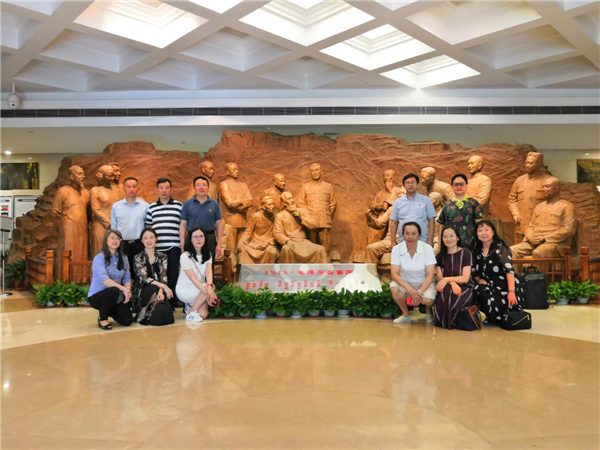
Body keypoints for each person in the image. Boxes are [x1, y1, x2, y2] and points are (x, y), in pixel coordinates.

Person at [510, 177, 576, 259]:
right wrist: (530, 237)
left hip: (554, 243)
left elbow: (568, 229)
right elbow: (531, 227)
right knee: (511, 250)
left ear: (556, 189)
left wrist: (545, 238)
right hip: (533, 242)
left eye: (547, 187)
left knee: (539, 252)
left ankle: (538, 268)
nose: (544, 189)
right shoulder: (539, 207)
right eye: (543, 187)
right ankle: (517, 268)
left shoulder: (567, 206)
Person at [473, 220, 524, 324]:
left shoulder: (500, 249)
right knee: (478, 289)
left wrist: (511, 292)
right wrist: (479, 280)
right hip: (490, 287)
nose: (483, 233)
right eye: (480, 231)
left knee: (499, 301)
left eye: (486, 230)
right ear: (476, 234)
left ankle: (501, 316)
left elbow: (509, 271)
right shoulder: (477, 251)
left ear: (493, 232)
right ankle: (491, 316)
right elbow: (474, 272)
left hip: (506, 287)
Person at [145, 178, 183, 308]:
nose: (164, 190)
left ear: (171, 190)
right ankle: (160, 299)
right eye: (161, 188)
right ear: (157, 190)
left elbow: (183, 226)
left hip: (174, 246)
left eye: (167, 188)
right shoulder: (151, 207)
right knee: (159, 273)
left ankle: (171, 300)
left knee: (173, 273)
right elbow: (149, 227)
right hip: (158, 247)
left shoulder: (179, 206)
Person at [390, 222, 437, 325]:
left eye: (414, 233)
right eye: (407, 233)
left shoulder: (427, 248)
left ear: (419, 235)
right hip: (406, 283)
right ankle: (405, 314)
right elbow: (394, 274)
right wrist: (411, 290)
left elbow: (430, 274)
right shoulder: (397, 249)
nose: (410, 237)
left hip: (425, 283)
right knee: (394, 288)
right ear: (403, 234)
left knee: (428, 300)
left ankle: (429, 310)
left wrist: (419, 292)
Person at [87, 229, 133, 330]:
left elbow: (127, 278)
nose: (115, 240)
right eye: (112, 238)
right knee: (113, 290)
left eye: (118, 238)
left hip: (116, 296)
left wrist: (128, 290)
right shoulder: (99, 258)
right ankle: (103, 318)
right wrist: (123, 289)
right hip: (97, 296)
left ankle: (107, 309)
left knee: (127, 321)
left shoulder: (124, 258)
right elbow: (105, 280)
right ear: (106, 240)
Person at [52, 165, 90, 280]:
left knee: (82, 252)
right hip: (67, 228)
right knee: (68, 252)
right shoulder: (63, 191)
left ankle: (80, 280)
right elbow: (55, 212)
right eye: (79, 174)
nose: (83, 176)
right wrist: (63, 227)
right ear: (71, 176)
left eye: (83, 174)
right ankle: (65, 280)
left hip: (82, 228)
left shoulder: (86, 193)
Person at [433, 226, 474, 329]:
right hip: (446, 286)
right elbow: (440, 278)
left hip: (464, 287)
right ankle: (445, 322)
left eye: (451, 236)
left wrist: (447, 279)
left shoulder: (466, 253)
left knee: (455, 300)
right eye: (445, 237)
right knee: (445, 295)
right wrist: (452, 283)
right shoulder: (439, 257)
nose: (448, 239)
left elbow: (465, 278)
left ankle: (450, 322)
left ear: (457, 238)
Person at [507, 152, 552, 243]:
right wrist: (515, 214)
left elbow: (553, 203)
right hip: (522, 226)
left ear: (539, 163)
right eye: (526, 163)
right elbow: (511, 200)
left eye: (530, 163)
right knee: (518, 249)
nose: (527, 165)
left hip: (540, 227)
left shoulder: (548, 180)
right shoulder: (519, 180)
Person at [176, 228, 217, 323]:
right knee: (208, 288)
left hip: (200, 289)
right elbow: (193, 279)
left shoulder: (208, 255)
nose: (198, 239)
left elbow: (209, 273)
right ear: (190, 239)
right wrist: (209, 294)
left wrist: (210, 288)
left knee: (203, 315)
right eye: (195, 237)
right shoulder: (185, 256)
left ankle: (189, 307)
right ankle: (191, 312)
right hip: (185, 289)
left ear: (205, 238)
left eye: (201, 236)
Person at [273, 192, 328, 263]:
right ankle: (288, 270)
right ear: (283, 202)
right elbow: (277, 233)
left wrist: (300, 216)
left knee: (320, 249)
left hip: (304, 242)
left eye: (292, 198)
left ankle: (322, 270)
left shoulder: (302, 211)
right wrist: (287, 241)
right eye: (288, 199)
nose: (291, 200)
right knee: (286, 249)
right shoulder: (280, 215)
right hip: (290, 241)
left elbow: (313, 225)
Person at [132, 228, 172, 323]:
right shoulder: (138, 257)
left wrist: (161, 290)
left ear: (156, 239)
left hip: (159, 289)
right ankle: (143, 310)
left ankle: (151, 313)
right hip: (142, 289)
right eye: (145, 238)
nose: (149, 240)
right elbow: (144, 278)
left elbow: (163, 276)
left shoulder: (163, 256)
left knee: (161, 295)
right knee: (152, 289)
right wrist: (163, 287)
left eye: (151, 237)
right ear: (142, 241)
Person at [110, 177, 149, 276]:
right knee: (123, 272)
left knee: (140, 273)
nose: (131, 189)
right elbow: (114, 228)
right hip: (122, 244)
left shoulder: (145, 206)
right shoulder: (116, 206)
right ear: (124, 188)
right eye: (128, 187)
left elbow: (147, 226)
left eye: (134, 186)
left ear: (138, 188)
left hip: (139, 244)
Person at [180, 175, 223, 260]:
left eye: (204, 185)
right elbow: (183, 225)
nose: (201, 187)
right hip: (192, 238)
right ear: (194, 188)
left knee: (209, 265)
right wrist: (182, 243)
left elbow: (219, 224)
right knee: (191, 265)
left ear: (208, 188)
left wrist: (219, 244)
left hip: (209, 239)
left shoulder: (214, 204)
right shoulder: (187, 204)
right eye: (198, 185)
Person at [389, 173, 437, 248]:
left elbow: (431, 220)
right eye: (408, 183)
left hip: (422, 241)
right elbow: (394, 222)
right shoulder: (398, 202)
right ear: (404, 185)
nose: (410, 185)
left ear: (417, 185)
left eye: (413, 182)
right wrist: (393, 241)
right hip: (403, 241)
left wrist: (430, 240)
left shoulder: (426, 200)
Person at [298, 163, 337, 253]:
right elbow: (300, 203)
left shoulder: (328, 187)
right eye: (312, 171)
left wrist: (327, 217)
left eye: (317, 170)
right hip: (311, 222)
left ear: (321, 171)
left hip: (324, 221)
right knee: (311, 249)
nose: (315, 172)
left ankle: (325, 262)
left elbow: (333, 204)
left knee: (326, 248)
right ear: (310, 173)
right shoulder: (305, 187)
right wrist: (308, 218)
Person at [437, 174, 484, 250]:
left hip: (471, 247)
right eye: (456, 184)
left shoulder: (473, 203)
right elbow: (441, 226)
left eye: (461, 184)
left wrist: (482, 246)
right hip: (451, 246)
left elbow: (480, 225)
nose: (458, 187)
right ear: (452, 186)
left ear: (466, 185)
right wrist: (440, 247)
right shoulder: (447, 205)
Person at [218, 163, 253, 251]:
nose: (236, 171)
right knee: (231, 248)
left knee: (242, 248)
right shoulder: (224, 184)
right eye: (234, 170)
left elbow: (250, 200)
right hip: (230, 221)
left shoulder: (243, 185)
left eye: (237, 169)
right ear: (227, 172)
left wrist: (239, 201)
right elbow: (230, 204)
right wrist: (244, 209)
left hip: (243, 221)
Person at [237, 195, 279, 264]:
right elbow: (248, 232)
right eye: (270, 204)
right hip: (254, 244)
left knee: (272, 252)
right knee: (243, 250)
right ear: (263, 207)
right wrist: (241, 242)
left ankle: (264, 271)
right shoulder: (256, 216)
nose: (272, 206)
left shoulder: (276, 217)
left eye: (273, 204)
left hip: (268, 245)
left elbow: (277, 234)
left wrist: (268, 242)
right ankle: (249, 270)